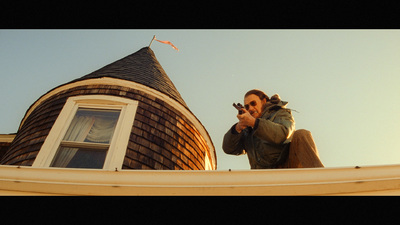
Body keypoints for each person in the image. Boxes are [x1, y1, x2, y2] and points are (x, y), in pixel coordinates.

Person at [222, 89, 296, 169]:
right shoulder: (247, 130)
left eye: (253, 103)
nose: (250, 108)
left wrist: (254, 123)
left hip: (286, 170)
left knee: (302, 134)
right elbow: (228, 149)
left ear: (263, 101)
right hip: (261, 176)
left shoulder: (280, 113)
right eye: (247, 107)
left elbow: (283, 134)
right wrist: (238, 128)